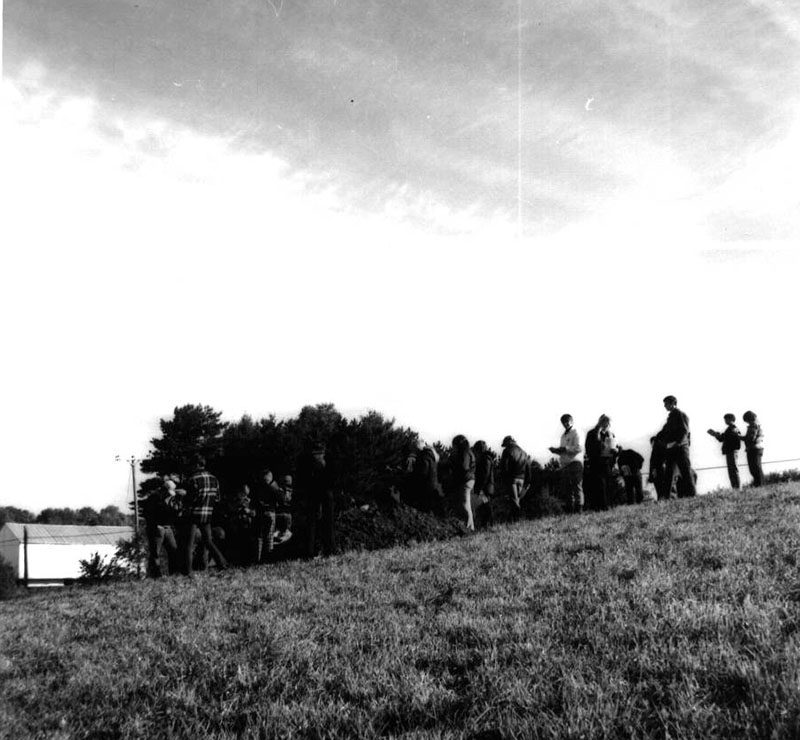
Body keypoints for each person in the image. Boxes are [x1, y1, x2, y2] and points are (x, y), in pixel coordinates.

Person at [180, 455, 228, 576]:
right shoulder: (214, 479)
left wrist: (183, 495)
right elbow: (217, 499)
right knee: (208, 541)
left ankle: (188, 572)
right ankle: (223, 564)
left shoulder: (193, 479)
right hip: (208, 514)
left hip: (194, 514)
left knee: (189, 545)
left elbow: (191, 499)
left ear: (196, 465)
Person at [296, 441, 336, 557]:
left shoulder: (307, 460)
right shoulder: (329, 458)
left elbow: (302, 477)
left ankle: (309, 552)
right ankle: (329, 550)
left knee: (311, 522)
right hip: (325, 490)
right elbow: (333, 477)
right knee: (328, 522)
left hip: (313, 490)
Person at [142, 476, 181, 578]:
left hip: (167, 528)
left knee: (173, 551)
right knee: (155, 553)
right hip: (157, 528)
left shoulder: (169, 500)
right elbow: (148, 514)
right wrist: (155, 525)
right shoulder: (154, 499)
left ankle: (173, 574)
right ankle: (155, 576)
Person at [658, 395, 697, 498]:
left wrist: (677, 443)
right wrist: (659, 439)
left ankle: (691, 494)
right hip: (671, 448)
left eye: (666, 403)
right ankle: (667, 497)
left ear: (673, 403)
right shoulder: (670, 417)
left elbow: (684, 431)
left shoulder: (680, 415)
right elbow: (664, 431)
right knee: (669, 473)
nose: (665, 406)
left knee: (686, 471)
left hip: (680, 448)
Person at [549, 414, 584, 513]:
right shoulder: (563, 436)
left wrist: (566, 448)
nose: (565, 424)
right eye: (563, 422)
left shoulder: (576, 432)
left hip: (575, 462)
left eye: (567, 421)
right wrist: (556, 451)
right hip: (565, 464)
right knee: (567, 488)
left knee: (577, 486)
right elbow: (563, 450)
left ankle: (579, 509)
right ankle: (570, 509)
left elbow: (579, 448)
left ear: (572, 421)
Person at [585, 414, 617, 511]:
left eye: (608, 423)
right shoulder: (592, 433)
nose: (606, 425)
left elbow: (615, 447)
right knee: (598, 485)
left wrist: (616, 451)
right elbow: (588, 448)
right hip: (596, 462)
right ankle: (599, 507)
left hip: (608, 462)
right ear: (600, 422)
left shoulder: (611, 434)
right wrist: (599, 446)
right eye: (604, 422)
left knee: (608, 485)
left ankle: (608, 506)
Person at [252, 468, 281, 563]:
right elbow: (281, 500)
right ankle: (268, 558)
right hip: (271, 512)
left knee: (259, 537)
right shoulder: (274, 488)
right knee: (269, 536)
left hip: (260, 513)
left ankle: (257, 558)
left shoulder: (257, 487)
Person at [707, 414, 742, 490]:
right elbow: (723, 438)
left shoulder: (732, 429)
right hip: (731, 451)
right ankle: (736, 487)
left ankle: (737, 488)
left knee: (733, 470)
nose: (725, 421)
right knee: (732, 470)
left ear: (731, 419)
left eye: (727, 419)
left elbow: (723, 438)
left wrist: (716, 435)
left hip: (732, 451)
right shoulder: (731, 429)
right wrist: (716, 435)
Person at [449, 435, 476, 531]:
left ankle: (469, 527)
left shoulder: (464, 452)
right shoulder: (469, 451)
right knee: (465, 504)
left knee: (465, 504)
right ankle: (469, 526)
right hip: (469, 479)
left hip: (465, 479)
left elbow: (464, 467)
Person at [500, 435, 529, 521]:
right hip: (522, 478)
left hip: (512, 478)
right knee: (517, 500)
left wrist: (503, 480)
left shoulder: (507, 451)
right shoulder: (523, 452)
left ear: (508, 442)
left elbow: (503, 467)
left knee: (514, 500)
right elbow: (528, 467)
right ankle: (515, 520)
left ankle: (518, 519)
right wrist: (528, 481)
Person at [410, 439, 444, 514]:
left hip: (425, 485)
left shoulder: (424, 456)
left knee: (422, 508)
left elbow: (423, 471)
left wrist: (413, 475)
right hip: (432, 484)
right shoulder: (431, 455)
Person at [472, 440, 495, 528]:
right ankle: (487, 524)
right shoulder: (487, 459)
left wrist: (480, 487)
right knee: (486, 506)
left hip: (485, 487)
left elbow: (484, 475)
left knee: (486, 506)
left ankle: (488, 524)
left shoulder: (485, 460)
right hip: (488, 486)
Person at [741, 410, 765, 487]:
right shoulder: (758, 425)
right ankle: (760, 485)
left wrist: (739, 437)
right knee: (757, 467)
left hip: (753, 449)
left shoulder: (753, 426)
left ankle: (759, 485)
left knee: (754, 469)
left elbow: (751, 438)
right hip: (758, 448)